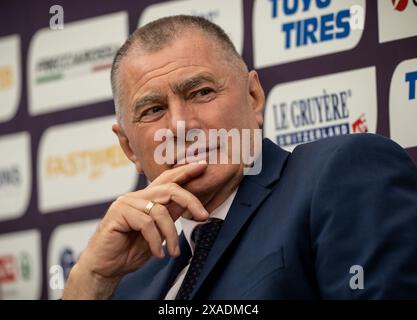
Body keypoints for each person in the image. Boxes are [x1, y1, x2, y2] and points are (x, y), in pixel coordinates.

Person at [63, 15, 417, 300]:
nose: (182, 125)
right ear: (128, 148)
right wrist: (90, 280)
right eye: (154, 110)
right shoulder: (126, 280)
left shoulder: (337, 175)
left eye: (201, 92)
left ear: (253, 97)